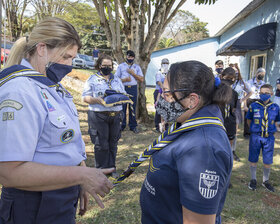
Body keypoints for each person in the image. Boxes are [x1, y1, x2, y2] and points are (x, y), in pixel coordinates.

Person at [0, 17, 113, 223]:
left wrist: (79, 177)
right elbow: (9, 173)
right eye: (66, 57)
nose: (70, 65)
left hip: (59, 197)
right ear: (42, 48)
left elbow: (64, 144)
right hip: (33, 204)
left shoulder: (51, 87)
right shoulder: (19, 92)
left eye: (72, 58)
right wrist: (80, 176)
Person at [140, 60, 233, 224]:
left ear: (192, 100)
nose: (161, 98)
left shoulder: (204, 149)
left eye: (167, 94)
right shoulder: (186, 123)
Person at [82, 54, 125, 177]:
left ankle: (112, 169)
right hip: (98, 115)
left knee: (113, 143)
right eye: (104, 65)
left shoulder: (117, 79)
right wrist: (98, 100)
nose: (107, 67)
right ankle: (101, 170)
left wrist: (120, 98)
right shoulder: (92, 79)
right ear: (99, 65)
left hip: (115, 115)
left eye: (109, 65)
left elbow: (123, 94)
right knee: (101, 144)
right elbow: (85, 98)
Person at [246, 84, 280, 192]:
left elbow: (276, 121)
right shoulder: (254, 106)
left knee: (267, 160)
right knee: (253, 158)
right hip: (256, 136)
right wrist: (255, 129)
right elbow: (249, 120)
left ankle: (265, 181)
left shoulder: (275, 107)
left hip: (269, 138)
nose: (263, 95)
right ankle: (253, 179)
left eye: (266, 93)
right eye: (262, 93)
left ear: (271, 94)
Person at [115, 50, 144, 134]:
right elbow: (116, 79)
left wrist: (133, 74)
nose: (130, 58)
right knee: (122, 107)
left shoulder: (137, 67)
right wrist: (125, 80)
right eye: (128, 56)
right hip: (123, 88)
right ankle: (122, 126)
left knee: (132, 107)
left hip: (133, 89)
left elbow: (141, 79)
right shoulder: (121, 66)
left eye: (131, 57)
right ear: (126, 57)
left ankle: (133, 126)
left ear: (134, 58)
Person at [230, 63, 253, 161]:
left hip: (237, 106)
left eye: (236, 71)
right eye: (232, 71)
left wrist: (242, 100)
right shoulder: (225, 81)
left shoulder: (241, 82)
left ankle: (232, 151)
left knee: (234, 130)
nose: (234, 73)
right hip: (226, 105)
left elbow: (250, 92)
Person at [219, 67, 239, 162]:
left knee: (228, 146)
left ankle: (226, 160)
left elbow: (233, 109)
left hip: (230, 123)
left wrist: (236, 125)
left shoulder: (234, 93)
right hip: (218, 122)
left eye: (232, 78)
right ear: (222, 76)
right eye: (227, 77)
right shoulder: (215, 91)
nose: (230, 80)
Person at [244, 68, 266, 138]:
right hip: (250, 100)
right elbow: (245, 93)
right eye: (261, 74)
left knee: (257, 117)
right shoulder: (249, 82)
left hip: (258, 101)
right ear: (257, 74)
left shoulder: (263, 83)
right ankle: (247, 133)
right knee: (248, 117)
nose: (262, 76)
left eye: (263, 75)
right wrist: (245, 105)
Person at [154, 58, 169, 132]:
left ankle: (165, 126)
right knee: (158, 110)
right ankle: (158, 127)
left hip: (167, 93)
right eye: (164, 63)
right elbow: (158, 82)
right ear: (161, 64)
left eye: (167, 63)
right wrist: (164, 87)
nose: (165, 64)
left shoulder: (169, 73)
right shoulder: (159, 73)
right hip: (159, 92)